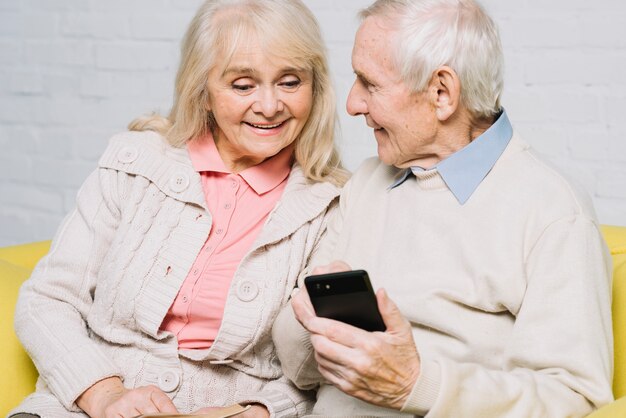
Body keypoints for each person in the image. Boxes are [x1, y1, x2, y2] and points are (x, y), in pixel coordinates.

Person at [272, 0, 614, 417]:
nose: (352, 104)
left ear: (441, 93)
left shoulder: (554, 212)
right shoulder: (367, 182)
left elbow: (572, 400)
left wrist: (415, 386)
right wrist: (314, 321)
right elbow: (297, 366)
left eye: (369, 83)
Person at [9, 1, 348, 417]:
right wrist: (105, 395)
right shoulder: (134, 162)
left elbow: (318, 367)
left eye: (290, 82)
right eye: (243, 85)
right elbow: (48, 300)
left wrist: (259, 411)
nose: (270, 105)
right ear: (202, 91)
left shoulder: (331, 206)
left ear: (315, 87)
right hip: (85, 404)